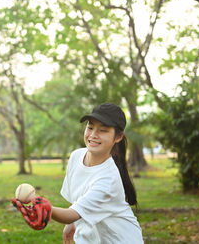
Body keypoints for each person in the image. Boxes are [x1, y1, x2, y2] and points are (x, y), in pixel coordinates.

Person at [11, 103, 143, 243]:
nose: (93, 135)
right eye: (90, 127)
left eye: (103, 130)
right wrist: (71, 225)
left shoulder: (108, 179)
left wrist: (43, 206)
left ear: (118, 137)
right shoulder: (76, 156)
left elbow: (71, 214)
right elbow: (78, 203)